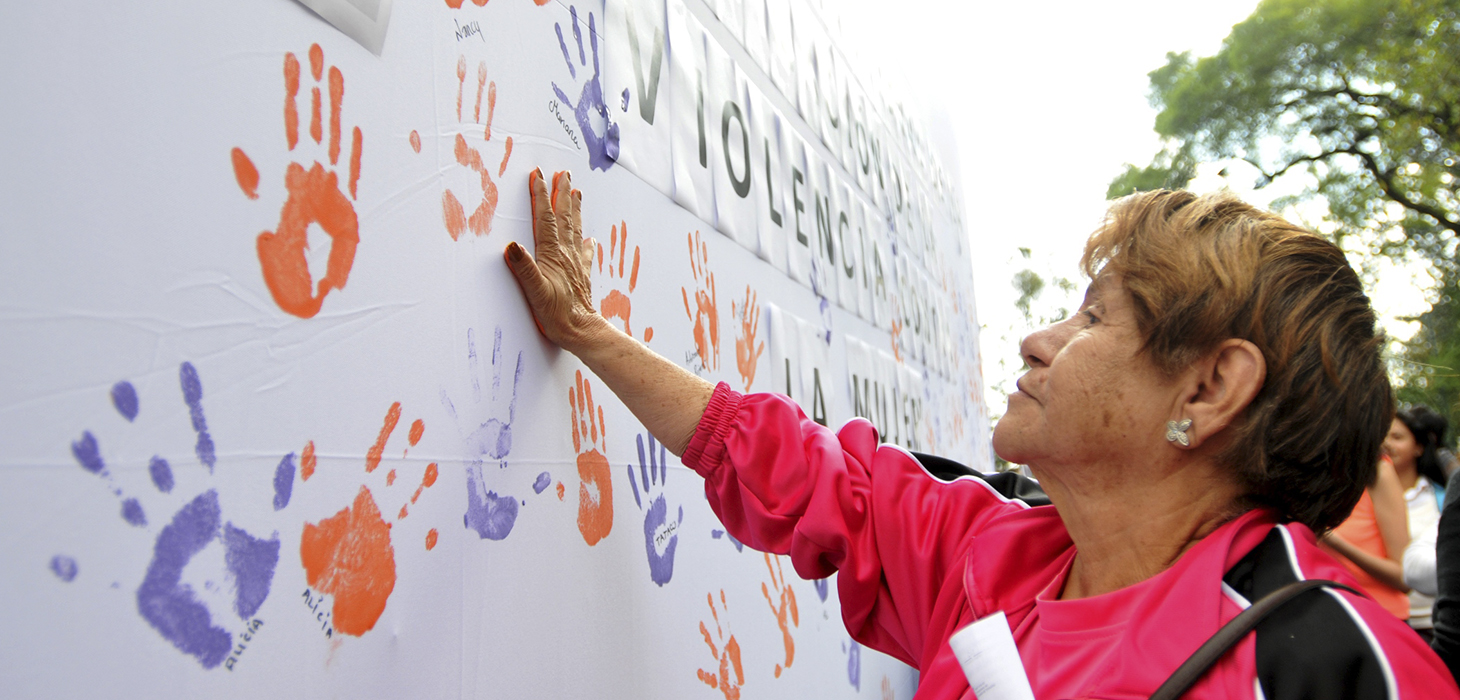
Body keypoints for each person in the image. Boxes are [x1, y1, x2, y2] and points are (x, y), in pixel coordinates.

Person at [504, 170, 1459, 698]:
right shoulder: (988, 552)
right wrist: (588, 333)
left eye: (1093, 319)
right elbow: (779, 463)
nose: (1041, 341)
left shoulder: (1326, 665)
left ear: (1210, 388)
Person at [1389, 405, 1451, 640]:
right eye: (1383, 435)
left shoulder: (1440, 498)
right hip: (1385, 620)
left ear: (1418, 447)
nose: (1386, 443)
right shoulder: (1360, 499)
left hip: (1431, 624)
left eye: (1397, 437)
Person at [1322, 455, 1411, 619]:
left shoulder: (1378, 471)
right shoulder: (1306, 470)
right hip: (1321, 616)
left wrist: (1331, 539)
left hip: (1378, 618)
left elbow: (1404, 577)